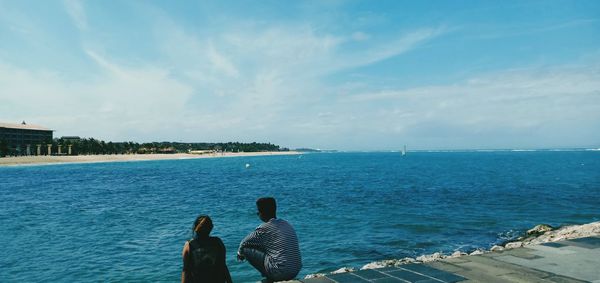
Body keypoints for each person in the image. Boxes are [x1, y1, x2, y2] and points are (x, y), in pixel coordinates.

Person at [238, 197, 302, 281]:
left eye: (258, 211)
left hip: (280, 273)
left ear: (261, 213)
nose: (257, 213)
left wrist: (239, 253)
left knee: (246, 249)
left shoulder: (263, 228)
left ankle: (269, 276)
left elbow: (244, 243)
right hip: (295, 271)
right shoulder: (286, 224)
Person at [182, 215, 233, 283]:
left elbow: (186, 271)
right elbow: (223, 266)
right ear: (210, 228)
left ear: (196, 228)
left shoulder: (189, 245)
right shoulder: (217, 242)